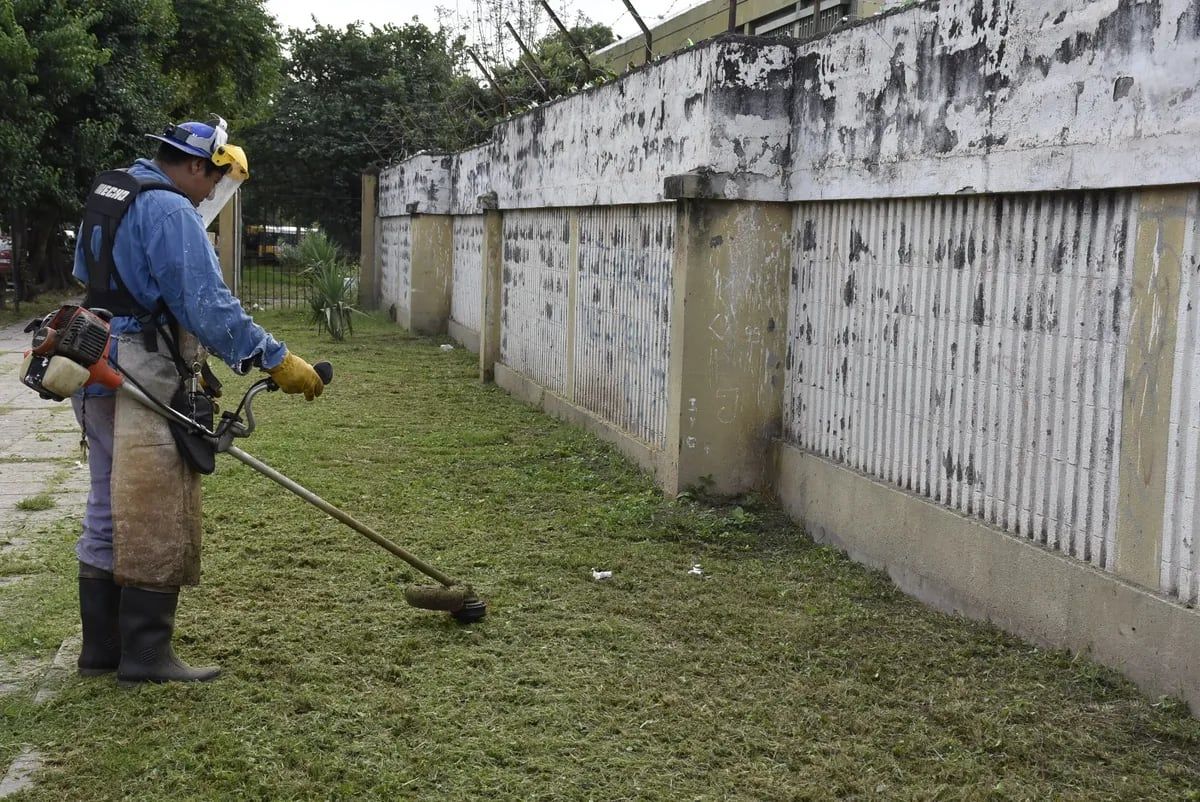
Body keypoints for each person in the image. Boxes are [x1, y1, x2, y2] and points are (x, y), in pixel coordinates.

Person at [71, 117, 324, 685]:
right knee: (156, 504)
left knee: (107, 503)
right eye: (212, 176)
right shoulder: (169, 210)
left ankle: (101, 651)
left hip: (91, 356)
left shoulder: (111, 189)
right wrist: (275, 359)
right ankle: (146, 656)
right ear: (191, 164)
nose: (213, 190)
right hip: (141, 370)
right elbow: (207, 306)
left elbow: (85, 271)